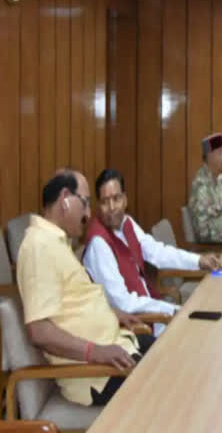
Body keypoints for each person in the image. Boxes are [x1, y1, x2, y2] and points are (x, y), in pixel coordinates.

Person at [16, 170, 152, 406]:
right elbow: (39, 331)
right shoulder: (39, 247)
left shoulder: (56, 241)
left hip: (116, 348)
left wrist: (113, 314)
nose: (89, 214)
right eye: (86, 203)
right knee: (172, 381)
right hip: (96, 373)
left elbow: (73, 303)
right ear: (66, 199)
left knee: (177, 353)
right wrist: (95, 352)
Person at [83, 169, 222, 331]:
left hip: (154, 314)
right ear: (99, 205)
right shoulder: (99, 244)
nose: (112, 207)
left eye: (116, 198)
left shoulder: (127, 223)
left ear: (125, 200)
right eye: (105, 202)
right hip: (137, 327)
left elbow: (157, 252)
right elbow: (124, 304)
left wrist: (198, 260)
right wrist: (170, 309)